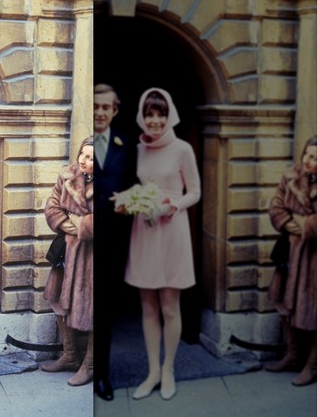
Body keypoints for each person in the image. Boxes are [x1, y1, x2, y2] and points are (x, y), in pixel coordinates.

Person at [117, 87, 200, 400]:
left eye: (160, 114)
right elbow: (134, 186)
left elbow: (195, 191)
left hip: (172, 229)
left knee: (169, 305)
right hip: (145, 230)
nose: (154, 120)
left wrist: (171, 206)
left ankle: (169, 370)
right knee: (148, 307)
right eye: (150, 114)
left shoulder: (182, 149)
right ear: (142, 115)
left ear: (169, 115)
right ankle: (152, 370)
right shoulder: (136, 149)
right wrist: (129, 201)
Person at [92, 83, 137, 400]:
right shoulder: (82, 142)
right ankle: (79, 363)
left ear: (115, 110)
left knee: (104, 308)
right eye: (95, 106)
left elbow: (138, 184)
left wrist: (130, 199)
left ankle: (102, 375)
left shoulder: (126, 144)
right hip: (81, 239)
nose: (99, 112)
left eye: (106, 107)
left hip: (111, 242)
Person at [42, 136, 95, 387]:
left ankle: (90, 364)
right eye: (82, 154)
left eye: (91, 157)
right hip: (66, 252)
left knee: (91, 309)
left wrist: (83, 224)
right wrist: (71, 225)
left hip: (90, 257)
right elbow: (52, 206)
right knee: (58, 302)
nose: (84, 160)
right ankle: (71, 355)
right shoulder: (67, 175)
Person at [267, 135, 317, 386]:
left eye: (316, 158)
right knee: (283, 304)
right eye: (307, 154)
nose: (309, 161)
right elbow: (275, 207)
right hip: (289, 252)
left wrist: (306, 225)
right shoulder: (290, 176)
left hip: (313, 259)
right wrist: (297, 226)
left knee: (314, 311)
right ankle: (294, 355)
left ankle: (312, 364)